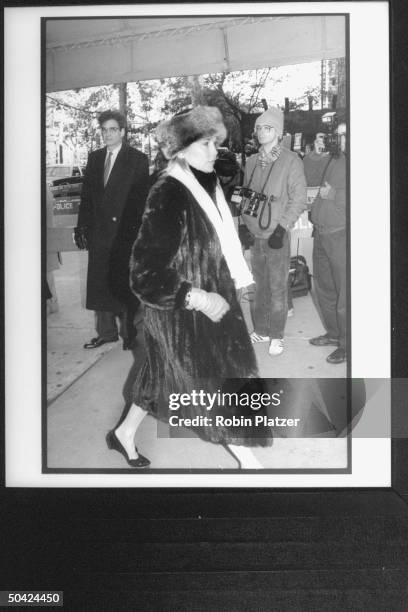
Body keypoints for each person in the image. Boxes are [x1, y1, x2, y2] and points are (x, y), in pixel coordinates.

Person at [106, 106, 272, 470]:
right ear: (180, 149)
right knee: (218, 385)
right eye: (208, 144)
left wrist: (234, 282)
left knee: (160, 373)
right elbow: (144, 273)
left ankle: (124, 434)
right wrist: (196, 297)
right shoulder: (169, 191)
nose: (216, 151)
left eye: (217, 143)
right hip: (182, 311)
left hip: (214, 300)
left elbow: (215, 242)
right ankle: (251, 465)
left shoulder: (206, 182)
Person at [74, 110, 150, 350]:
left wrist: (136, 233)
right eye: (104, 130)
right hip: (99, 232)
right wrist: (82, 226)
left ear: (123, 132)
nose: (107, 134)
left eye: (112, 129)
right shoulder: (95, 158)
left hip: (124, 233)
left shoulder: (137, 158)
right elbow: (87, 196)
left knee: (124, 283)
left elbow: (141, 199)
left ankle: (131, 334)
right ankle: (106, 333)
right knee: (99, 283)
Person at [240, 107, 307, 356]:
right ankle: (261, 329)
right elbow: (246, 196)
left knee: (278, 288)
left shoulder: (290, 160)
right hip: (256, 235)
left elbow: (299, 198)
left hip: (277, 234)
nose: (261, 132)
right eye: (258, 127)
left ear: (277, 132)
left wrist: (282, 228)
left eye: (267, 128)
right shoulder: (251, 162)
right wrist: (244, 226)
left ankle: (276, 335)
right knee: (258, 287)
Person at [307, 124, 347, 364]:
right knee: (325, 288)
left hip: (340, 233)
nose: (336, 139)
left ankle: (348, 345)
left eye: (342, 135)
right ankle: (334, 334)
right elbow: (310, 174)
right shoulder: (335, 158)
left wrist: (334, 195)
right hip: (321, 232)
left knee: (345, 294)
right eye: (336, 134)